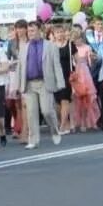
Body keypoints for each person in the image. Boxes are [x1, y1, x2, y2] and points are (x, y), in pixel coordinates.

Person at [16, 19, 64, 150]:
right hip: (29, 84)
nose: (30, 33)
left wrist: (60, 82)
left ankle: (54, 130)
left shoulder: (50, 46)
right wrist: (18, 86)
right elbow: (20, 68)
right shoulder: (24, 47)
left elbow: (56, 65)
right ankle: (33, 140)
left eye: (33, 30)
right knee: (31, 113)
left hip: (44, 82)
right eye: (29, 30)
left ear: (40, 31)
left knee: (47, 111)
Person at [71, 29, 100, 131]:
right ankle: (81, 122)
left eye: (78, 38)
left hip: (86, 74)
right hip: (78, 74)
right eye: (75, 39)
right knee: (79, 99)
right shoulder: (73, 49)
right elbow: (73, 64)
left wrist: (93, 58)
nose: (76, 41)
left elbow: (90, 62)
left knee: (89, 97)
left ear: (82, 38)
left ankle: (92, 121)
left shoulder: (87, 47)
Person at [52, 21, 74, 135]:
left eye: (61, 32)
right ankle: (65, 123)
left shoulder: (70, 45)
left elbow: (76, 60)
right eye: (57, 32)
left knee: (65, 100)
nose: (60, 34)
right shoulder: (51, 46)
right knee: (57, 102)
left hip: (67, 76)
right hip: (55, 77)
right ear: (54, 34)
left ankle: (61, 127)